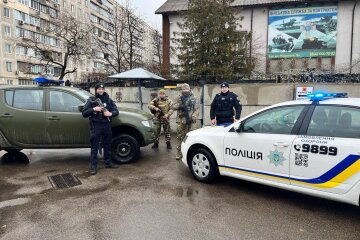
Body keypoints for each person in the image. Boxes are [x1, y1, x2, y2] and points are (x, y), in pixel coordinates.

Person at [82, 83, 119, 175]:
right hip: (96, 125)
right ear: (96, 90)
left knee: (107, 144)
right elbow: (84, 113)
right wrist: (94, 109)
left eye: (102, 89)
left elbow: (116, 111)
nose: (101, 90)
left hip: (106, 124)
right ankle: (93, 166)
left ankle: (108, 162)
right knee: (94, 147)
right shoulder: (91, 100)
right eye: (99, 89)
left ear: (104, 90)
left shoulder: (109, 100)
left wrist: (110, 114)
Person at [171, 84, 199, 160]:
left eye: (187, 89)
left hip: (191, 121)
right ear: (182, 90)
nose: (186, 90)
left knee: (191, 137)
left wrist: (193, 116)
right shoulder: (178, 97)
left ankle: (190, 153)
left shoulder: (194, 98)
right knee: (179, 137)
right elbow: (172, 106)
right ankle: (179, 153)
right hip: (181, 121)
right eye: (184, 89)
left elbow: (197, 109)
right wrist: (179, 106)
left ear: (189, 89)